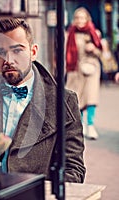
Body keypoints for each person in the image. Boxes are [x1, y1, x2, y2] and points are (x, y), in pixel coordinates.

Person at [0, 18, 86, 183]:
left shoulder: (64, 101)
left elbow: (73, 168)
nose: (9, 60)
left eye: (17, 50)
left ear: (33, 52)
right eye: (0, 52)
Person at [65, 7, 102, 140]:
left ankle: (90, 125)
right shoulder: (69, 34)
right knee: (76, 98)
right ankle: (80, 125)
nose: (80, 21)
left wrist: (93, 49)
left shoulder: (94, 33)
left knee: (91, 98)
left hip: (91, 69)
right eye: (77, 18)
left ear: (87, 19)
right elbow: (65, 53)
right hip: (75, 70)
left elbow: (101, 52)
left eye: (82, 18)